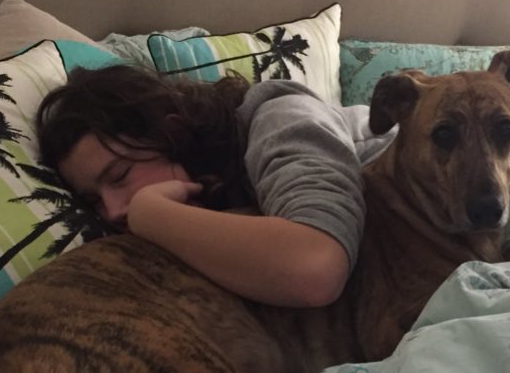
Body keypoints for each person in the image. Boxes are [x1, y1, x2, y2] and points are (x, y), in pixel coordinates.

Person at [36, 65, 394, 308]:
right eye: (94, 201)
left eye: (119, 175)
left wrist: (152, 213)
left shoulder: (281, 118)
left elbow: (316, 267)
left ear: (173, 133)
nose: (114, 211)